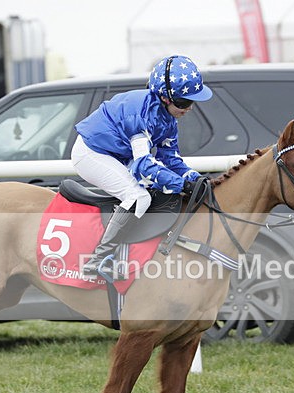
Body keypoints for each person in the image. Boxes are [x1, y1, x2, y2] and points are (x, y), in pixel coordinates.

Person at [71, 54, 212, 278]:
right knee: (139, 197)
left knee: (152, 192)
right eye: (184, 102)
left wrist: (194, 178)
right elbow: (143, 166)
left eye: (192, 102)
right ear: (165, 98)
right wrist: (180, 184)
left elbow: (171, 159)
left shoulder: (168, 119)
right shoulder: (142, 114)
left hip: (115, 153)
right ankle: (97, 261)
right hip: (92, 152)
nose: (190, 108)